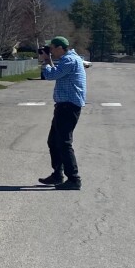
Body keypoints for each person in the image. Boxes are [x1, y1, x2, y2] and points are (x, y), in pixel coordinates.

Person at [38, 36, 87, 191]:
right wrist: (49, 61)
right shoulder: (70, 59)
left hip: (68, 106)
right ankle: (58, 174)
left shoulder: (69, 61)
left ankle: (74, 179)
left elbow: (50, 75)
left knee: (64, 143)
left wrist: (46, 61)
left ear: (60, 48)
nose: (50, 51)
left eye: (52, 48)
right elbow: (56, 72)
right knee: (53, 141)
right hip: (64, 106)